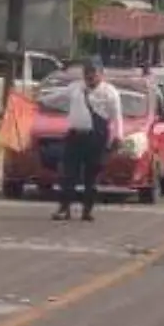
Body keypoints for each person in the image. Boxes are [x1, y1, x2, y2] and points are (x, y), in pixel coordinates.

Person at [54, 59, 122, 223]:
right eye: (87, 72)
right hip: (75, 136)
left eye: (93, 72)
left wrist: (118, 136)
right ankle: (65, 208)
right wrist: (35, 98)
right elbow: (56, 97)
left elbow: (116, 117)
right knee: (68, 174)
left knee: (91, 176)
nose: (90, 76)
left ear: (101, 74)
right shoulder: (76, 88)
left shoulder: (109, 92)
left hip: (96, 138)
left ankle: (87, 210)